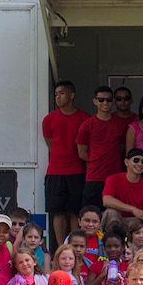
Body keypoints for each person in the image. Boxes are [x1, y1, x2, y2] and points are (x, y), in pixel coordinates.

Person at [40, 79, 88, 245]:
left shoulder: (84, 118)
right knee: (57, 211)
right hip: (55, 171)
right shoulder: (49, 119)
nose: (58, 97)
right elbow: (50, 143)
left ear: (72, 95)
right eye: (56, 94)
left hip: (77, 171)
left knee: (75, 211)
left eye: (62, 93)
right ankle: (61, 247)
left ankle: (75, 245)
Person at [77, 84, 132, 213]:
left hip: (115, 176)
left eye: (108, 99)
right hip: (94, 177)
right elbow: (81, 153)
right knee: (91, 214)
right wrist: (96, 160)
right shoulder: (87, 124)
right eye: (101, 100)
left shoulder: (119, 123)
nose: (105, 103)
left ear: (113, 101)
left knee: (114, 214)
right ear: (95, 101)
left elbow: (121, 147)